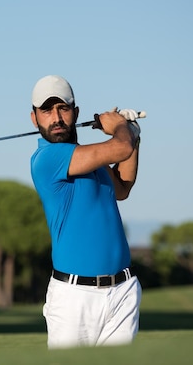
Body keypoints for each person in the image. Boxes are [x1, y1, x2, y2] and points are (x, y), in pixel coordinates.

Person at [29, 75, 142, 348]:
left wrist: (133, 133)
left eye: (63, 109)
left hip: (122, 292)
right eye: (46, 110)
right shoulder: (47, 159)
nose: (56, 117)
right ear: (34, 118)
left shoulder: (90, 158)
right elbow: (120, 147)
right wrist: (120, 129)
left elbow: (122, 187)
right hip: (73, 298)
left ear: (75, 113)